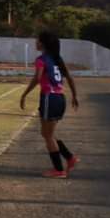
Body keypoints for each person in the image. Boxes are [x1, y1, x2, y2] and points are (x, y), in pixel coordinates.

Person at [19, 31, 80, 178]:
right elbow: (70, 78)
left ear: (43, 43)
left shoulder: (41, 59)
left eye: (38, 40)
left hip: (49, 98)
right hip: (59, 98)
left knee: (47, 135)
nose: (36, 42)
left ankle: (59, 170)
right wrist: (74, 96)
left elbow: (38, 78)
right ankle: (70, 157)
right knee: (48, 133)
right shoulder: (57, 59)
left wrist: (24, 94)